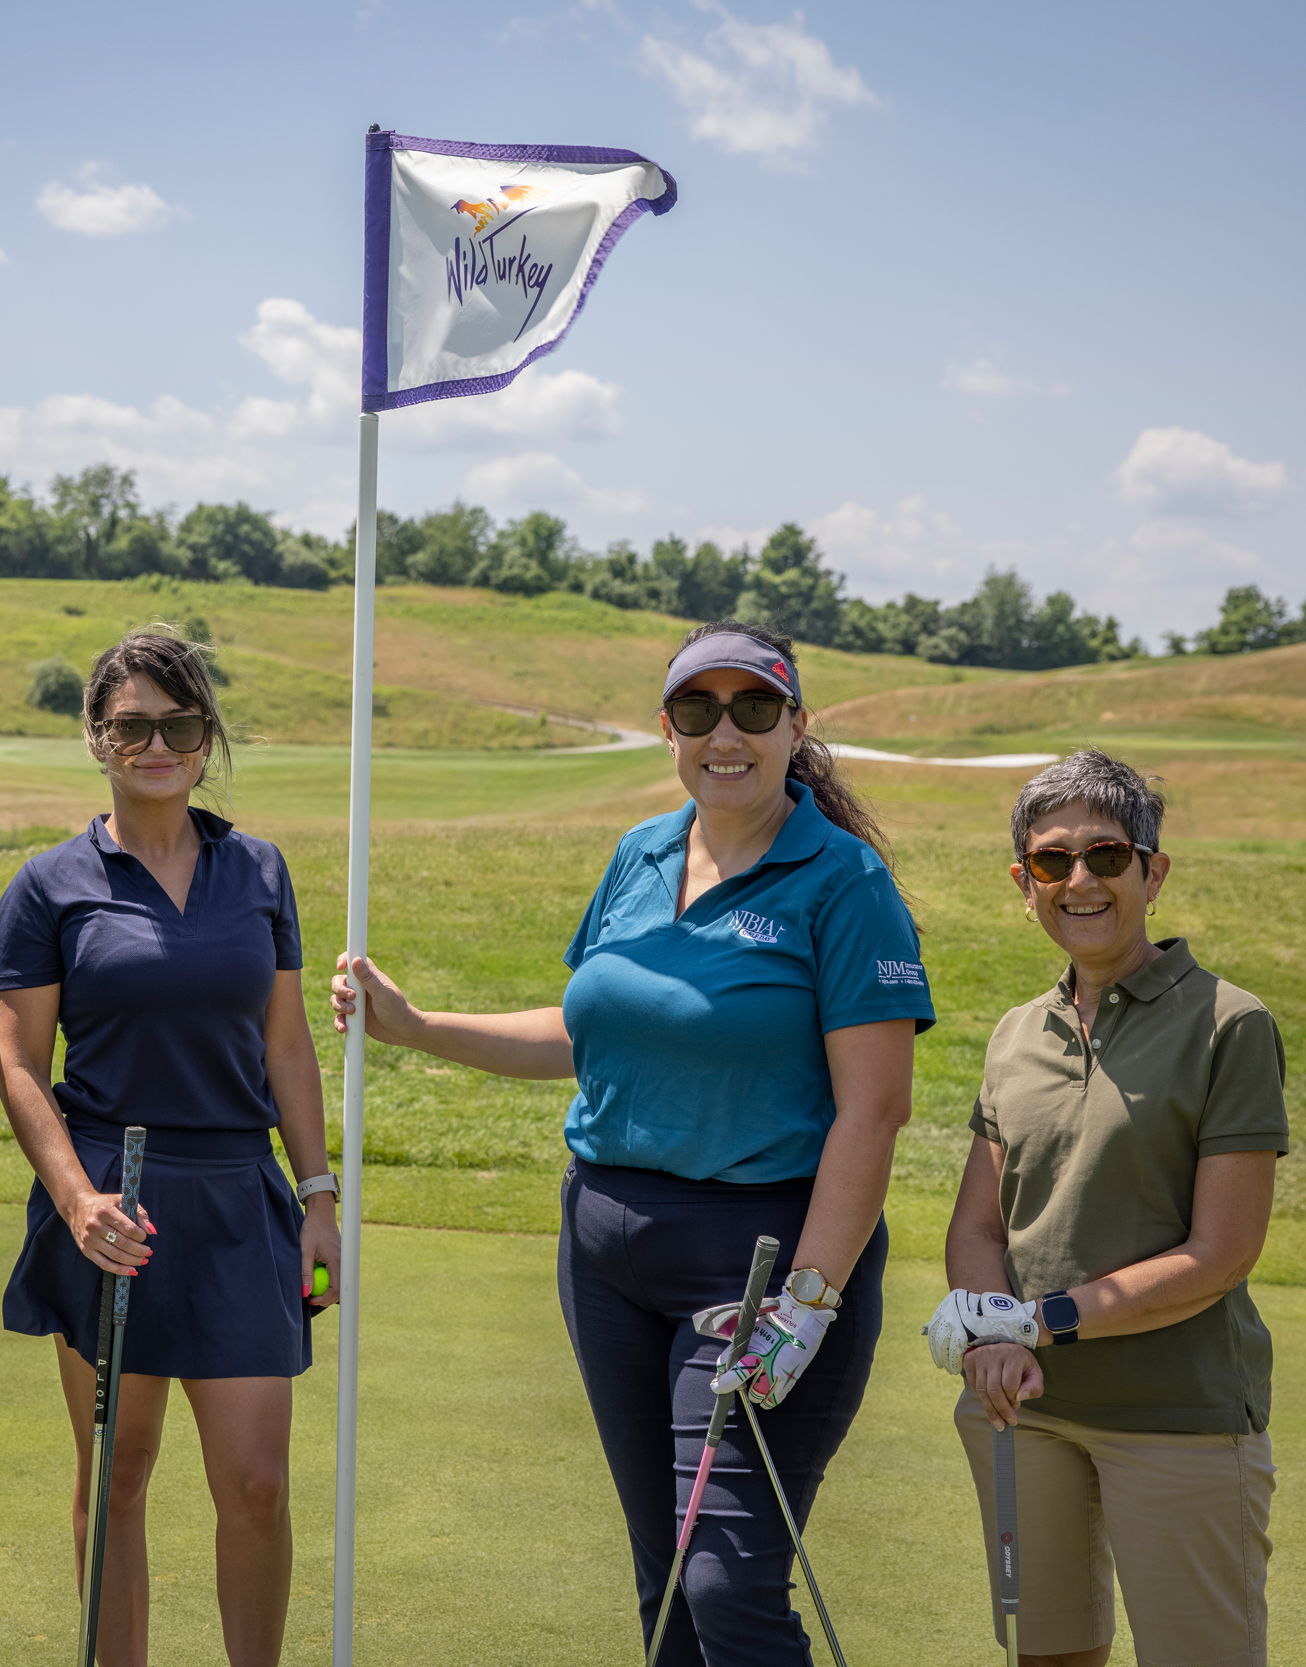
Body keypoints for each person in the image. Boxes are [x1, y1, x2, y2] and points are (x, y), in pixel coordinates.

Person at [331, 620, 934, 1666]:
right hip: (606, 1251)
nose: (725, 732)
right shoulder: (641, 853)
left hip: (759, 1267)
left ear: (796, 725)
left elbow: (872, 1112)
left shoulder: (843, 884)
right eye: (698, 710)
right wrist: (418, 1025)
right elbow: (588, 1029)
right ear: (668, 728)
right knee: (666, 1584)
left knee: (725, 1581)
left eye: (754, 707)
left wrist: (809, 1298)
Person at [0, 627, 340, 1667]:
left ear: (205, 737)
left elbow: (286, 1042)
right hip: (112, 1203)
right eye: (132, 723)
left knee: (256, 1482)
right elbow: (18, 1063)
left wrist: (318, 1195)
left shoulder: (259, 868)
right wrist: (73, 1198)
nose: (155, 742)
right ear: (98, 735)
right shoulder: (48, 884)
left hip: (240, 1197)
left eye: (178, 723)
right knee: (117, 1473)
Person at [926, 748, 1286, 1667]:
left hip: (1180, 1418)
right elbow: (977, 1227)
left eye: (1106, 855)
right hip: (1027, 1412)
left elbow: (1220, 1253)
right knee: (1048, 1658)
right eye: (1052, 860)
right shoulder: (1015, 1033)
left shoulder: (1228, 1022)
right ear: (1024, 880)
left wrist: (1034, 1323)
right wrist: (990, 1333)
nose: (1078, 880)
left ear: (1152, 870)